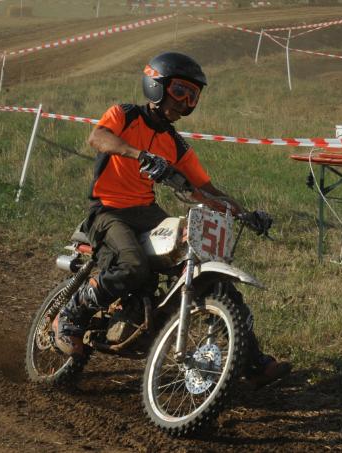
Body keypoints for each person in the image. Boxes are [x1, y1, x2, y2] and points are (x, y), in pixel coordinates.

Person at [52, 51, 291, 388]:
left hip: (148, 213)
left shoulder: (176, 146)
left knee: (201, 270)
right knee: (133, 265)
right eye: (180, 91)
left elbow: (206, 188)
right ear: (156, 85)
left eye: (193, 95)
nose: (185, 101)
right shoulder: (125, 114)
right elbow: (98, 138)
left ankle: (251, 362)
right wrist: (141, 155)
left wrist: (245, 214)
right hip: (108, 210)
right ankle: (71, 316)